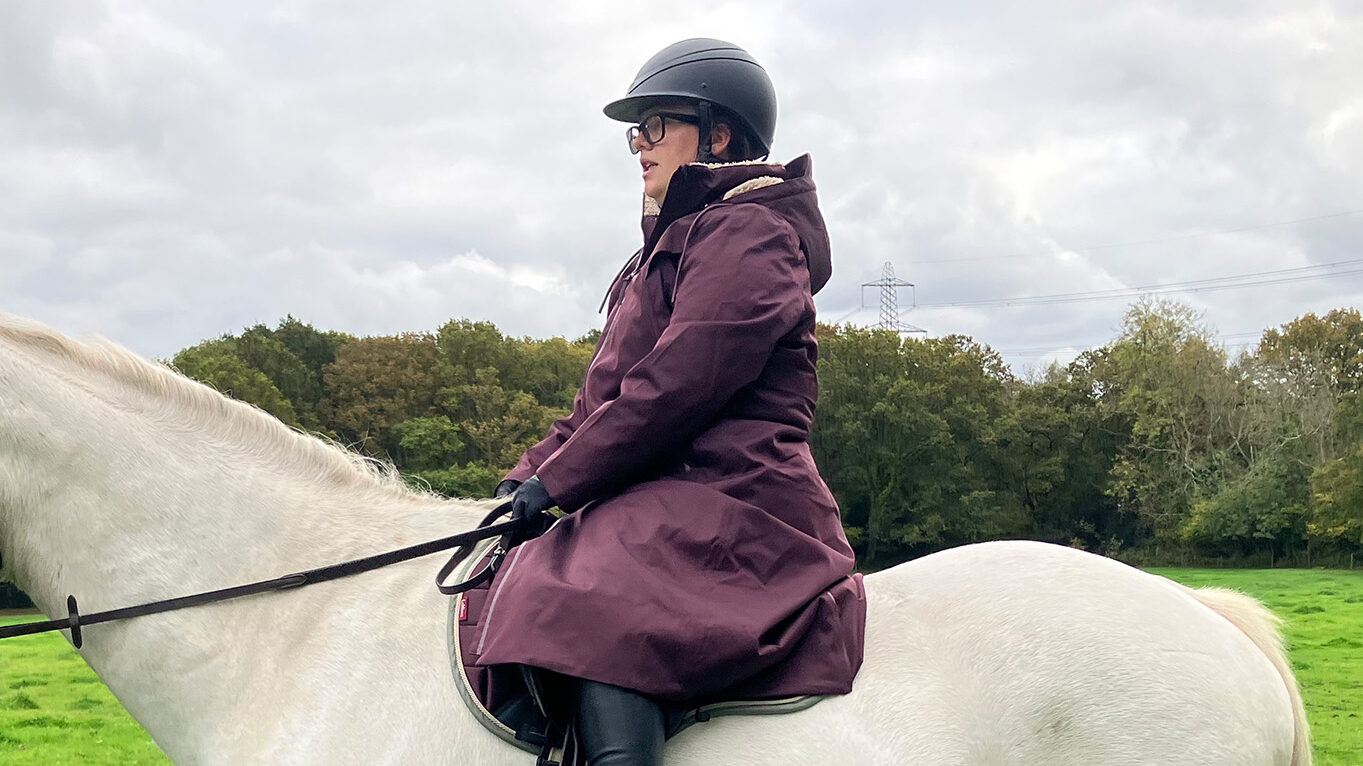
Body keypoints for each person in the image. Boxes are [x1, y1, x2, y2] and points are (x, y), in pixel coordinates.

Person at [472, 38, 866, 766]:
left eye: (655, 125)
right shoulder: (667, 246)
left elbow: (678, 386)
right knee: (507, 569)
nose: (638, 146)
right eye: (635, 131)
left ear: (717, 136)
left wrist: (557, 485)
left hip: (738, 494)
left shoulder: (752, 233)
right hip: (665, 489)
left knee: (582, 591)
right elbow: (601, 401)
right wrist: (519, 482)